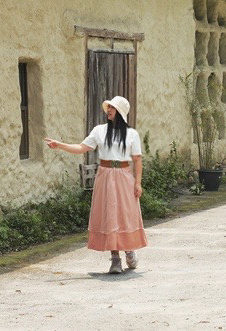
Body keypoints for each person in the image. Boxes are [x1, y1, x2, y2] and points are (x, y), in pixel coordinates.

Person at [45, 95, 148, 274]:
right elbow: (81, 147)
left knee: (125, 214)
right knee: (109, 214)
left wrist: (138, 183)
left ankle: (129, 251)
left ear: (120, 112)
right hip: (105, 176)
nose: (108, 110)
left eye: (113, 108)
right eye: (109, 107)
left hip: (124, 176)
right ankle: (115, 258)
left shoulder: (132, 134)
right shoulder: (99, 130)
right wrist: (59, 145)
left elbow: (137, 160)